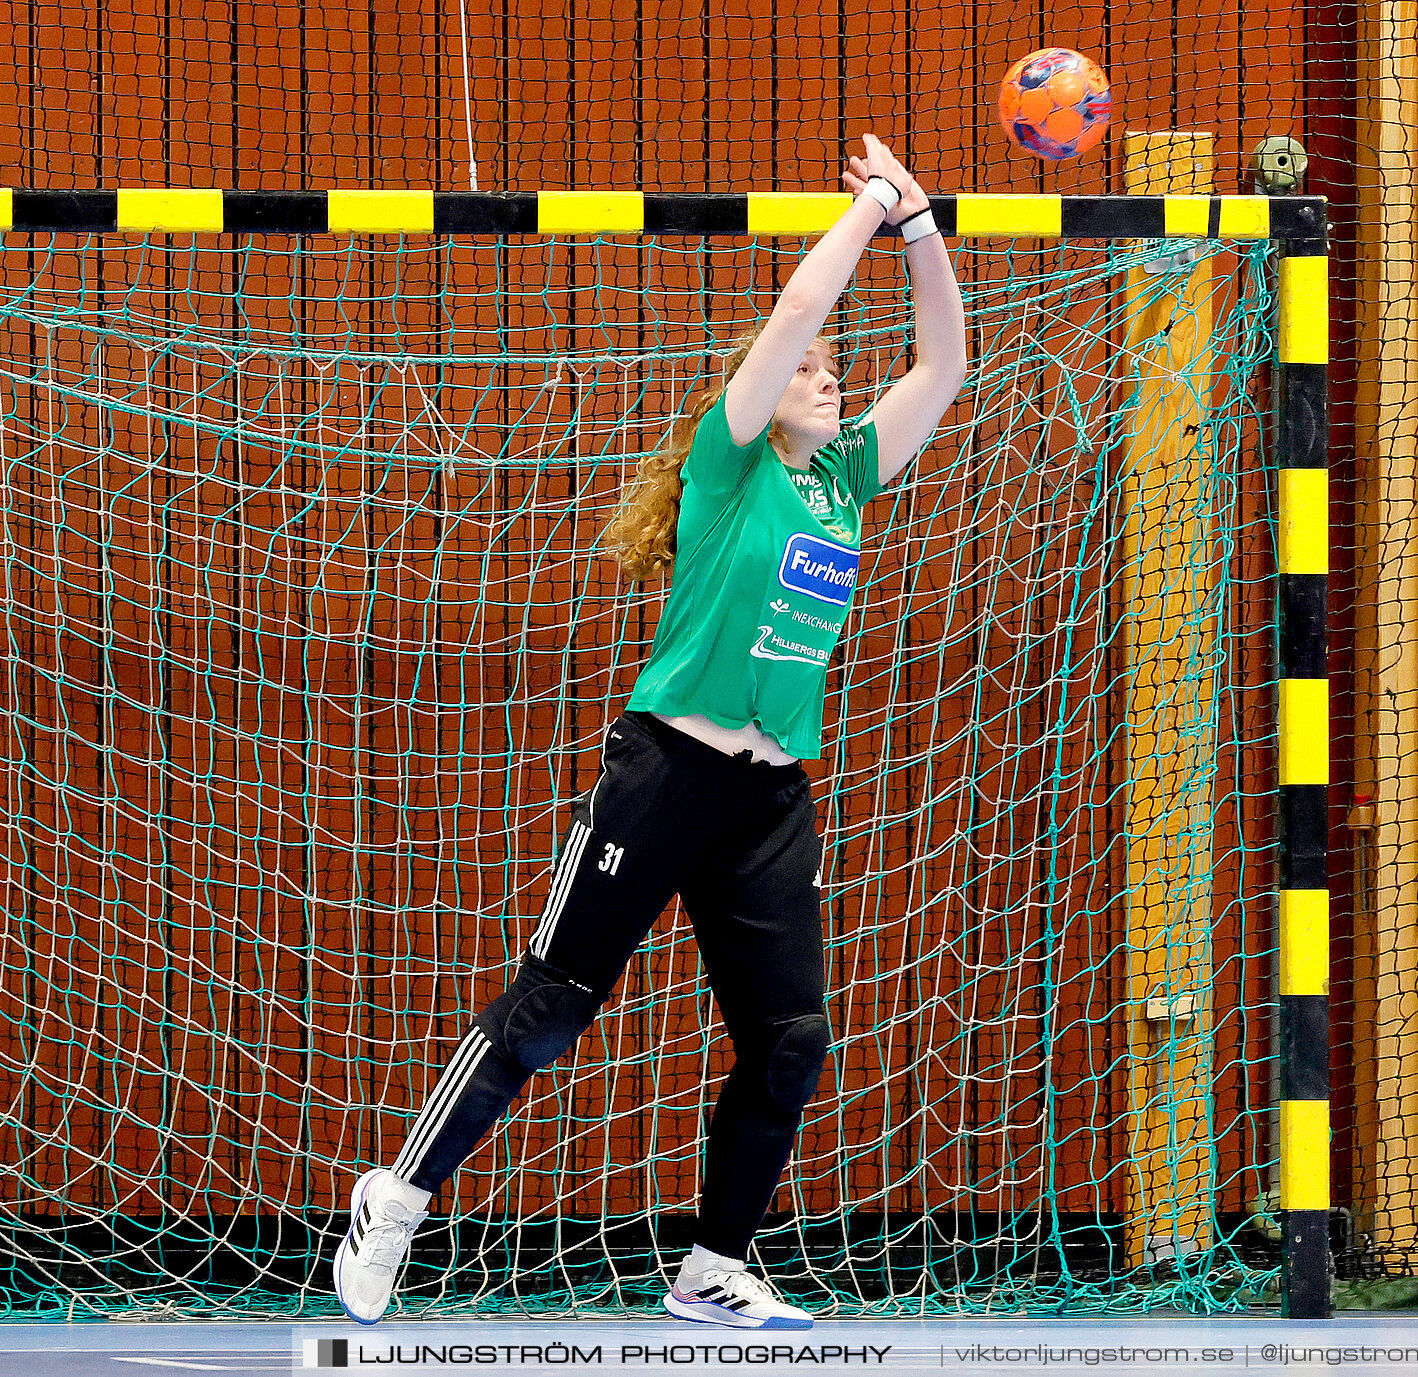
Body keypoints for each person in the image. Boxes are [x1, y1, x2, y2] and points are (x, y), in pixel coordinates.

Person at [332, 133, 968, 1331]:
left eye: (837, 372)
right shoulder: (731, 470)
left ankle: (714, 1268)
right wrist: (867, 208)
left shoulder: (845, 479)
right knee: (553, 1009)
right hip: (664, 774)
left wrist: (921, 229)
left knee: (790, 1042)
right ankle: (399, 1196)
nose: (830, 378)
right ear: (756, 394)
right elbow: (796, 302)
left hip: (771, 800)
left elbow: (944, 362)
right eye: (812, 372)